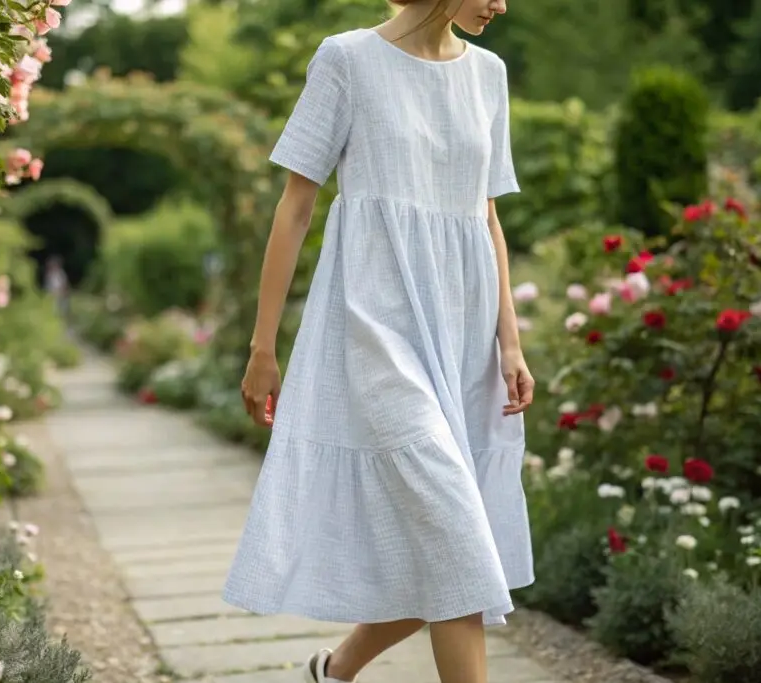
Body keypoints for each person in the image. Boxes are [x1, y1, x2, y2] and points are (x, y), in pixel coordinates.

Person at [223, 1, 536, 682]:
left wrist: (509, 342)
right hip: (375, 327)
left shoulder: (489, 74)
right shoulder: (347, 60)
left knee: (451, 544)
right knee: (456, 534)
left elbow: (486, 215)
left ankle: (331, 672)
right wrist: (263, 346)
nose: (503, 6)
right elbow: (296, 204)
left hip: (463, 336)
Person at [44, 255, 69, 319]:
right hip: (52, 295)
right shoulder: (49, 275)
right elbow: (47, 286)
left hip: (59, 294)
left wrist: (61, 292)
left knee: (61, 311)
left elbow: (64, 284)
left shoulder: (61, 274)